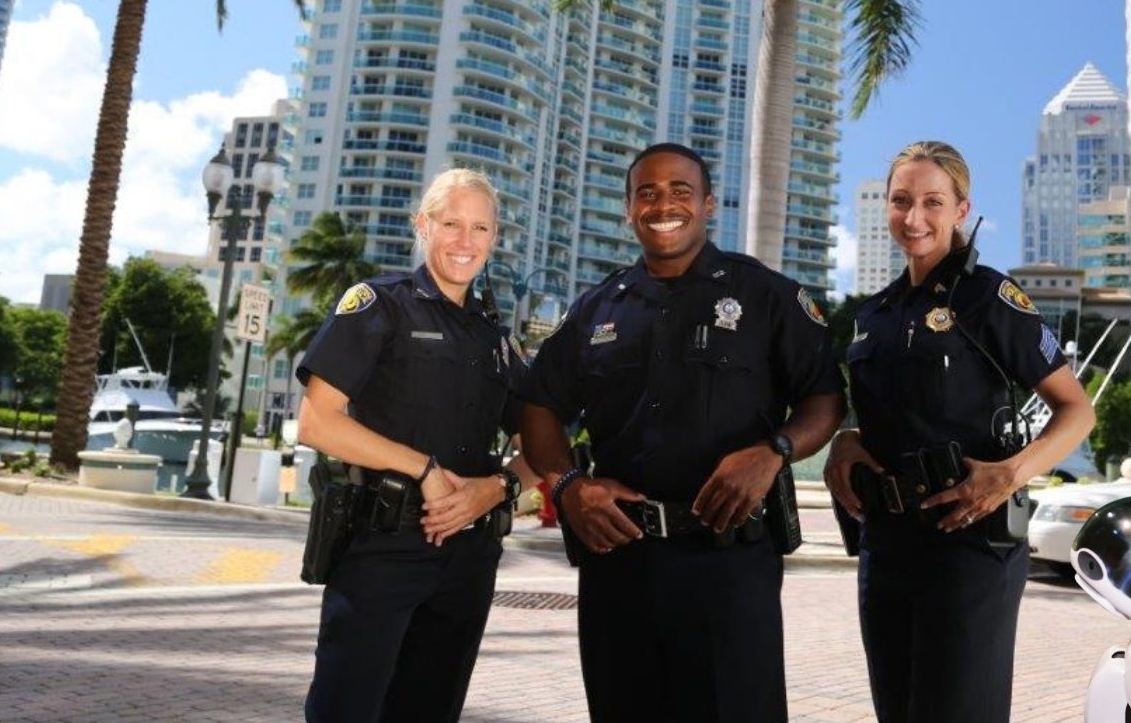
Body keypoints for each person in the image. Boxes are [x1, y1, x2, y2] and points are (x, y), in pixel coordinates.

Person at [520, 142, 845, 723]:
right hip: (617, 559)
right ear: (628, 209)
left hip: (728, 563)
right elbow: (540, 406)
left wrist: (776, 451)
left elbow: (824, 398)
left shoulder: (765, 296)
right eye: (647, 192)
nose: (663, 204)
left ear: (708, 204)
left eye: (679, 191)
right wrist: (568, 486)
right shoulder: (596, 309)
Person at [824, 140, 1096, 723]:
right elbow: (883, 410)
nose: (913, 217)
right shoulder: (872, 315)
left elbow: (1077, 410)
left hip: (969, 540)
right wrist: (847, 437)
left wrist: (1011, 473)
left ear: (960, 210)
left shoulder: (990, 298)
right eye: (901, 201)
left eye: (931, 202)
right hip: (888, 542)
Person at [296, 168, 536, 723]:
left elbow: (542, 449)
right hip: (382, 545)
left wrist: (497, 489)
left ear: (494, 239)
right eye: (450, 222)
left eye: (480, 227)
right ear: (422, 225)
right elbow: (317, 423)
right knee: (346, 710)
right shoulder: (380, 304)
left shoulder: (496, 338)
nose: (465, 240)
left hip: (468, 560)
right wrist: (423, 469)